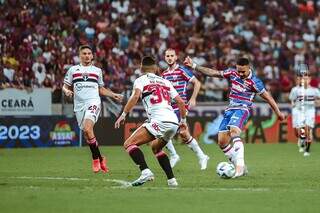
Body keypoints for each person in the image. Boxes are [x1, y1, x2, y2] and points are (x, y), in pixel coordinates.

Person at [184, 56, 286, 178]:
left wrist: (278, 112)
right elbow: (213, 73)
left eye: (243, 71)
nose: (240, 73)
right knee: (222, 142)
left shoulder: (255, 82)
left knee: (234, 132)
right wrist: (195, 66)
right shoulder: (232, 73)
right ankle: (240, 166)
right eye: (239, 70)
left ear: (249, 68)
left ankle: (240, 167)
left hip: (242, 109)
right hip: (229, 110)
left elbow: (268, 98)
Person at [115, 56, 187, 187]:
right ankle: (172, 181)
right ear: (156, 68)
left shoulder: (141, 80)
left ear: (141, 68)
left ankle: (145, 172)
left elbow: (135, 96)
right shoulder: (165, 82)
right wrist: (183, 121)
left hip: (159, 120)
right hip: (173, 122)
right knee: (156, 147)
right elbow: (181, 102)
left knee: (129, 144)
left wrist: (124, 114)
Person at [63, 45, 123, 173]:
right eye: (84, 53)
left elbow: (101, 89)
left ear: (92, 55)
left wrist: (113, 94)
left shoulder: (97, 71)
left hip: (93, 102)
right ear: (80, 55)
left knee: (88, 128)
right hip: (79, 105)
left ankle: (95, 159)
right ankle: (101, 158)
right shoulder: (73, 70)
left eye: (89, 53)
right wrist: (67, 91)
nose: (87, 55)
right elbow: (65, 86)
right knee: (86, 133)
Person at [162, 48, 209, 170]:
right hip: (168, 107)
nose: (170, 58)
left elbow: (197, 83)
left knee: (164, 129)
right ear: (165, 58)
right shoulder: (164, 74)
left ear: (176, 57)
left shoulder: (182, 70)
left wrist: (193, 98)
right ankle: (202, 156)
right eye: (167, 56)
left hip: (180, 106)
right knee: (183, 133)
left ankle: (174, 155)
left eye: (172, 55)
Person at [289, 74, 320, 156]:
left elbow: (319, 101)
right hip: (300, 111)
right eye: (303, 79)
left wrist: (317, 102)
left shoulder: (315, 90)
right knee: (301, 130)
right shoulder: (297, 90)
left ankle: (307, 150)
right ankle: (302, 140)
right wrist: (293, 104)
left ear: (310, 80)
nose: (305, 80)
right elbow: (293, 100)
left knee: (308, 129)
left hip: (310, 111)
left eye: (307, 79)